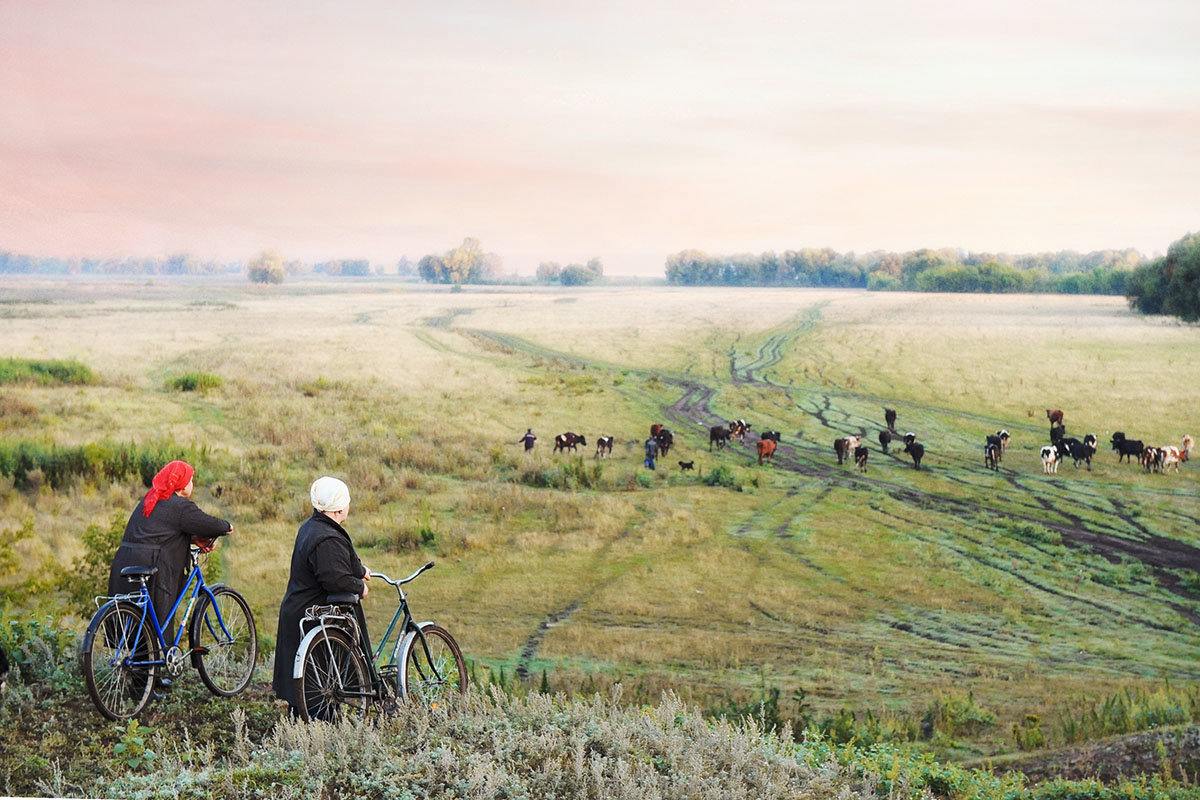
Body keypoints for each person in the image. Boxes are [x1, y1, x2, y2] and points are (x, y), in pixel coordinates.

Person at [273, 476, 371, 717]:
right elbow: (334, 578)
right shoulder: (327, 538)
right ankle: (318, 731)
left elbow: (340, 559)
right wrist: (359, 587)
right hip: (315, 614)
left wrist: (360, 570)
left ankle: (308, 725)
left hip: (298, 608)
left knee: (308, 680)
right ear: (339, 508)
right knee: (317, 682)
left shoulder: (314, 527)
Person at [108, 460, 232, 642]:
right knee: (157, 625)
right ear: (182, 485)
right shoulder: (181, 506)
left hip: (125, 563)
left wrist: (193, 539)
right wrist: (226, 526)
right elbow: (207, 523)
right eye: (190, 480)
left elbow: (158, 532)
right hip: (153, 564)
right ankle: (158, 662)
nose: (192, 484)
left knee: (138, 622)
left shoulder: (148, 501)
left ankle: (141, 667)